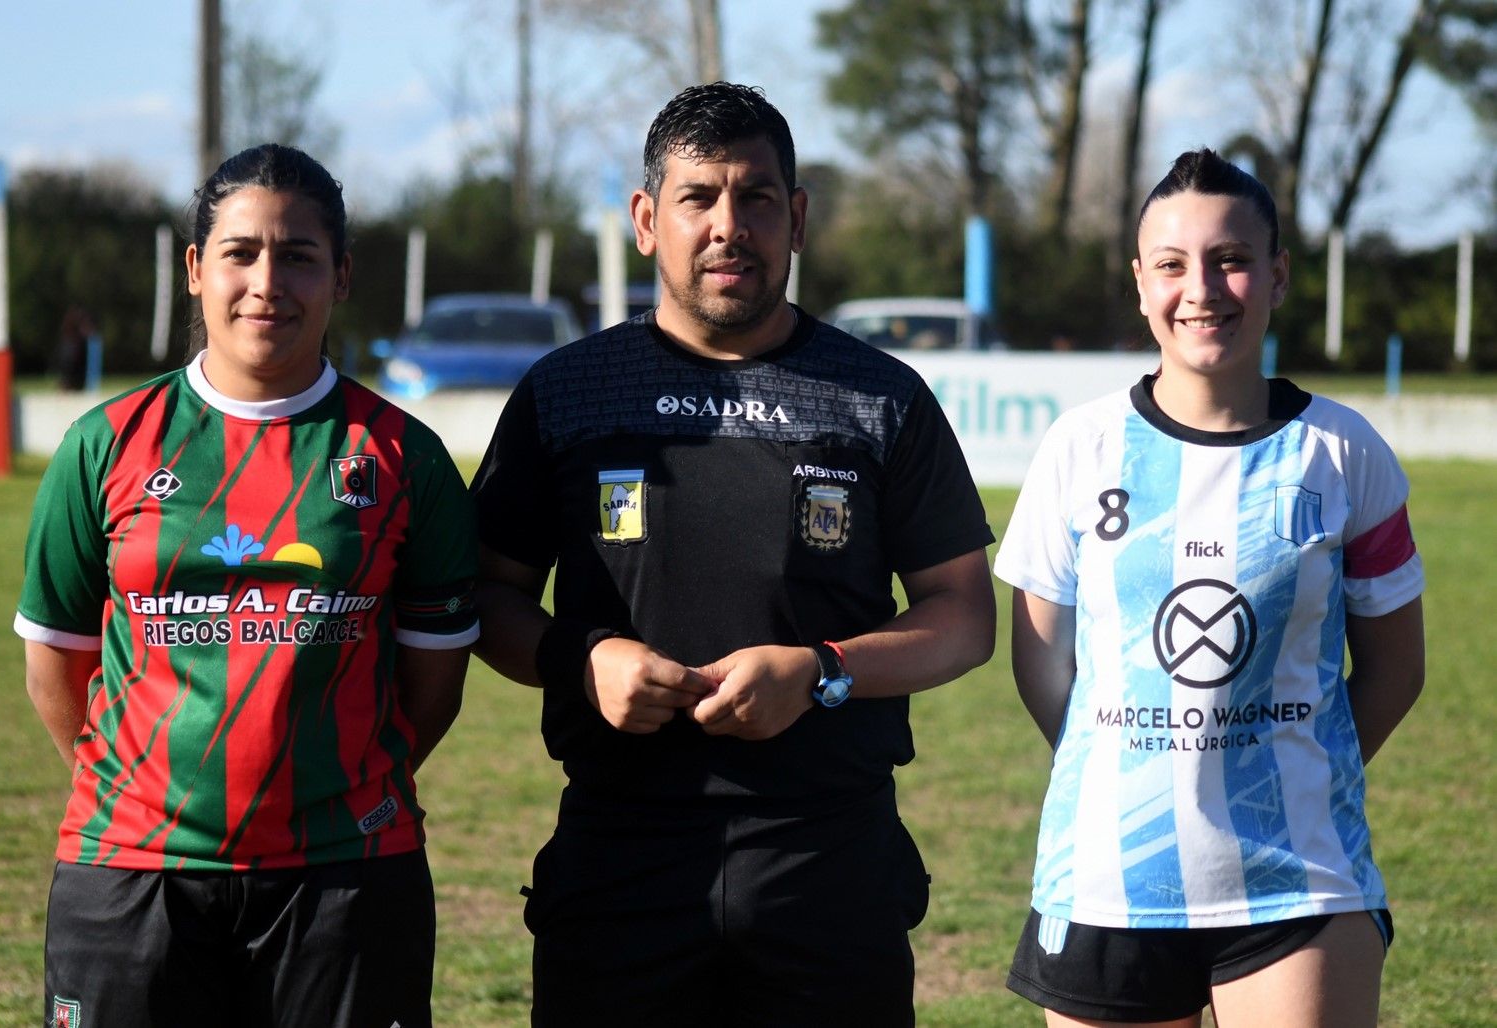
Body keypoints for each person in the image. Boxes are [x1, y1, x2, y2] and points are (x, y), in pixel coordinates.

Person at [470, 82, 997, 1027]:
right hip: (619, 853)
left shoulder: (882, 398)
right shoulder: (566, 394)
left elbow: (963, 617)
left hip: (826, 858)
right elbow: (485, 595)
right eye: (698, 198)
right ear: (646, 221)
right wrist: (580, 659)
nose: (729, 226)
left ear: (797, 219)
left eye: (756, 198)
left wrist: (821, 671)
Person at [14, 143, 479, 1028]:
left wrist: (321, 793)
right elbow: (55, 669)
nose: (268, 283)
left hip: (346, 875)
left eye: (298, 256)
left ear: (341, 276)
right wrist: (151, 795)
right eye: (241, 253)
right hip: (132, 873)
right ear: (197, 270)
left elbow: (434, 690)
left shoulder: (404, 457)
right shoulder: (104, 444)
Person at [994, 148, 1425, 1027]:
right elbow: (1041, 661)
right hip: (1109, 876)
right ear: (1140, 283)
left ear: (1278, 275)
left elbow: (1396, 670)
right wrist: (1138, 770)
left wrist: (1293, 771)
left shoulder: (1346, 453)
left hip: (1299, 876)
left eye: (1230, 260)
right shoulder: (1080, 447)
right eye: (1173, 265)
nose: (1201, 289)